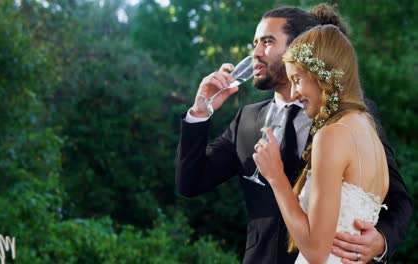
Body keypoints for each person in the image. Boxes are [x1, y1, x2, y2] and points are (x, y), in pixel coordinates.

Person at [175, 4, 412, 264]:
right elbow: (190, 182)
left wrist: (381, 242)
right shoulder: (246, 120)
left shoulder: (351, 117)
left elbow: (397, 199)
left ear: (300, 45)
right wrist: (199, 111)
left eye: (266, 42)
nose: (255, 53)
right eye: (254, 44)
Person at [254, 24, 388, 264]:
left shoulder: (332, 135)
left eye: (297, 79)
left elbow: (316, 252)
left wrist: (276, 177)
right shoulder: (369, 131)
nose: (293, 93)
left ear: (322, 74)